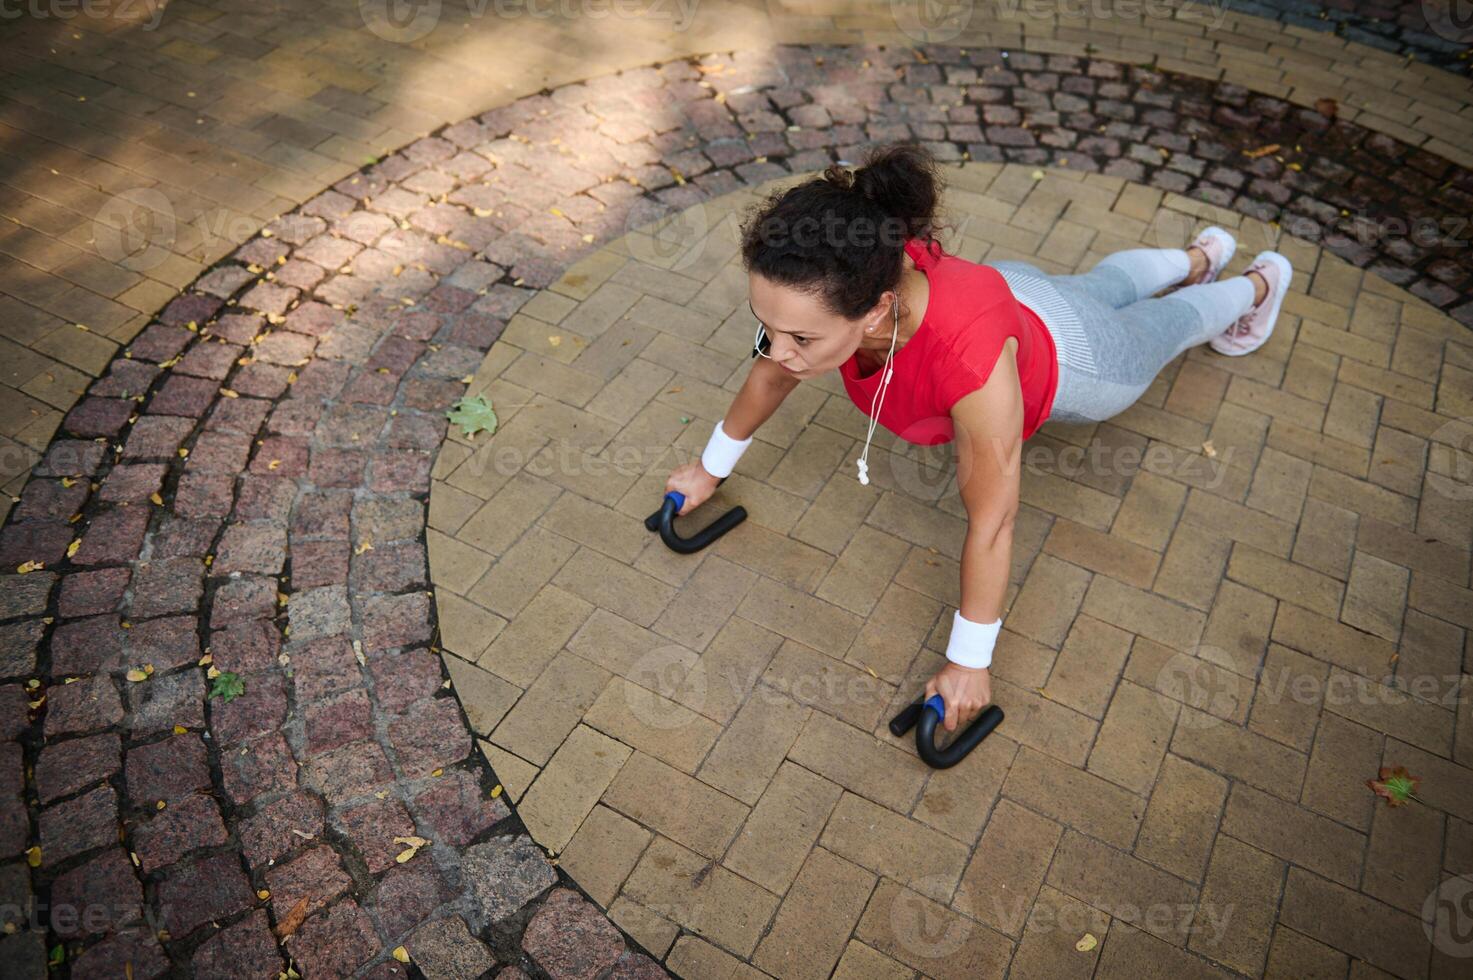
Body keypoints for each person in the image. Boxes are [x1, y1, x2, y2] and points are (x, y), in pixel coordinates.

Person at [664, 142, 1292, 739]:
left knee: (1164, 323)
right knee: (1100, 286)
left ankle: (1259, 287)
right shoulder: (860, 259)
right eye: (769, 328)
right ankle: (1196, 259)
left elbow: (994, 518)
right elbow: (772, 374)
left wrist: (969, 661)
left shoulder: (971, 368)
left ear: (878, 310)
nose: (781, 353)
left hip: (1083, 357)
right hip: (1017, 292)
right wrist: (709, 469)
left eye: (802, 339)